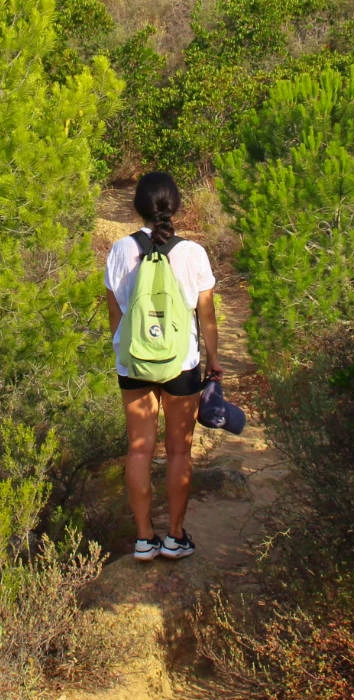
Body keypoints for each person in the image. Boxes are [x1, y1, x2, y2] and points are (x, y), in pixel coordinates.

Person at [105, 170, 219, 562]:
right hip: (181, 365)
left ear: (137, 206)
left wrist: (124, 354)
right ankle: (174, 536)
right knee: (178, 453)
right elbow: (207, 317)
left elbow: (115, 316)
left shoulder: (120, 251)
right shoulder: (193, 253)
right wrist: (215, 363)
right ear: (177, 206)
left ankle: (143, 538)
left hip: (133, 362)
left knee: (139, 451)